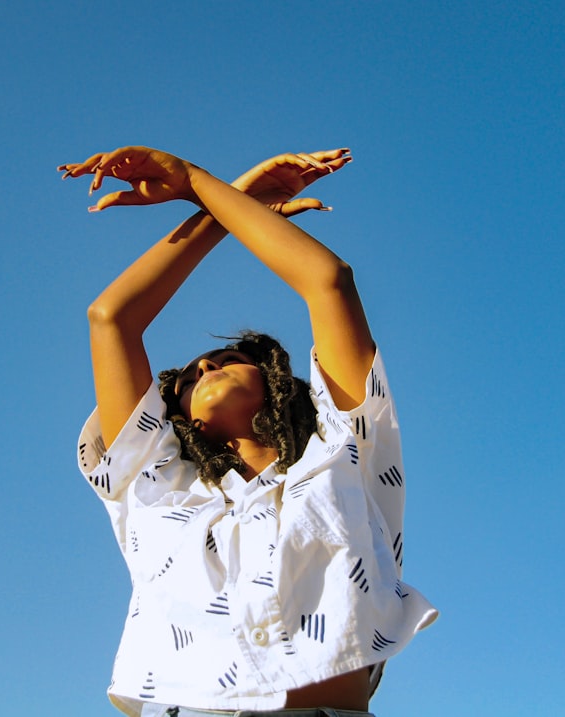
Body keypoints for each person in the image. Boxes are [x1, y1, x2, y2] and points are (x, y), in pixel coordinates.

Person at [60, 146, 437, 717]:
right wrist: (223, 203)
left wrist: (199, 181)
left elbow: (328, 281)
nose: (204, 368)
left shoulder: (345, 451)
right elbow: (112, 319)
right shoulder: (154, 484)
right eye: (187, 379)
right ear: (176, 420)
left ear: (276, 381)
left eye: (226, 358)